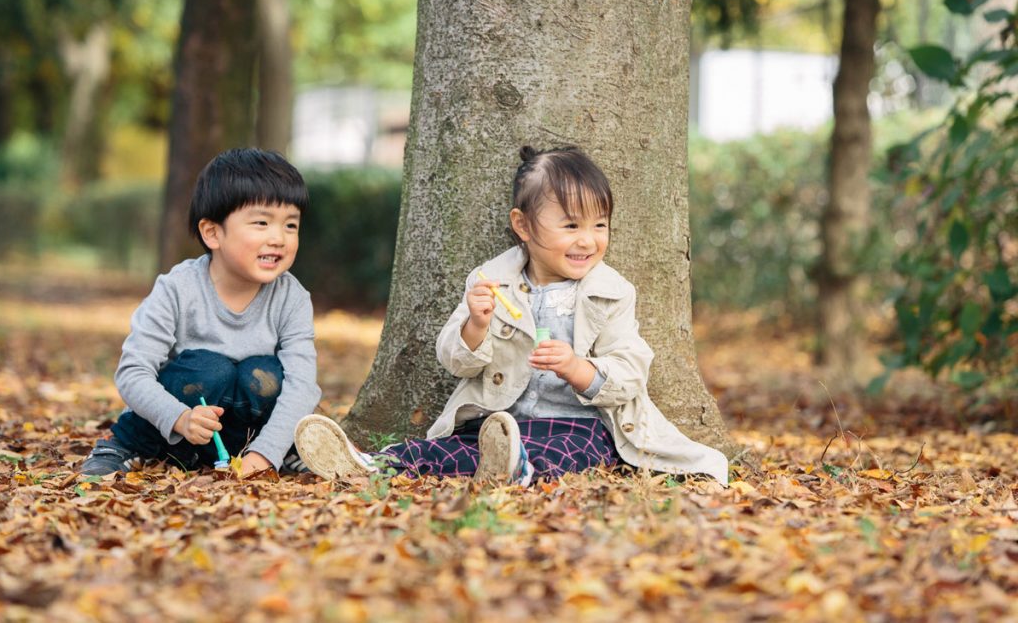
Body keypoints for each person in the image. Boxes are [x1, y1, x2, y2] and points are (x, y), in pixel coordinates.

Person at [294, 145, 728, 485]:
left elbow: (632, 365)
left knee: (568, 454)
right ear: (522, 226)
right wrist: (475, 326)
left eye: (600, 225)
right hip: (501, 418)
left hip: (579, 424)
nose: (588, 241)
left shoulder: (611, 293)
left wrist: (579, 368)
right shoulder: (491, 281)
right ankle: (372, 463)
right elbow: (455, 359)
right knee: (458, 446)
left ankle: (521, 469)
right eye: (572, 226)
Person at [81, 148, 321, 477]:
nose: (278, 238)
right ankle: (127, 443)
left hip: (244, 433)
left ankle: (278, 450)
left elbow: (303, 386)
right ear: (212, 233)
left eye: (290, 225)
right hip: (180, 416)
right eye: (261, 223)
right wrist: (179, 417)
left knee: (262, 375)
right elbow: (132, 372)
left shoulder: (291, 298)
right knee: (211, 369)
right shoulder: (177, 288)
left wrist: (267, 453)